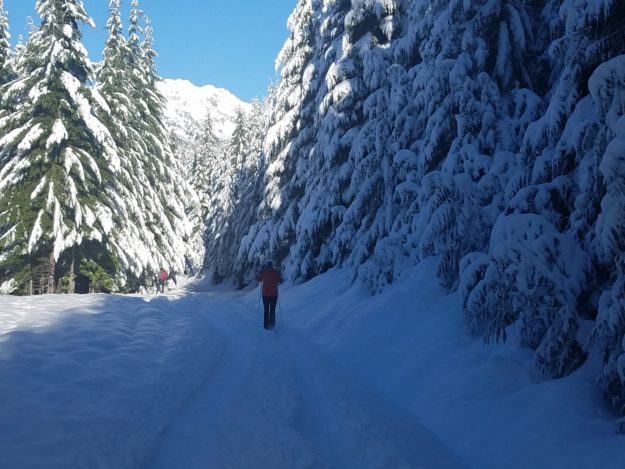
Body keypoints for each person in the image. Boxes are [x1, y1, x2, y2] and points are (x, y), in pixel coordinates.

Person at [257, 261, 282, 330]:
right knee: (272, 310)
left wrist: (261, 271)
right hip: (274, 295)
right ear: (272, 265)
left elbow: (258, 279)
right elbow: (279, 280)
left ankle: (266, 326)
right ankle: (272, 325)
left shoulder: (264, 272)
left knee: (266, 310)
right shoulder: (275, 272)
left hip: (265, 295)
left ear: (266, 265)